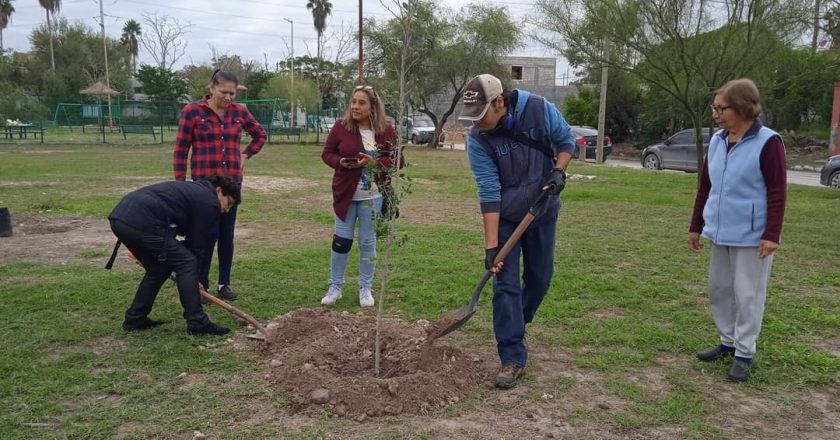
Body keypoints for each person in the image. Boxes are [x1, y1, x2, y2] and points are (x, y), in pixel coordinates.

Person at [458, 74, 575, 389]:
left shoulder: (538, 109)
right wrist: (492, 248)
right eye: (472, 117)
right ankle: (511, 355)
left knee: (540, 278)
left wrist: (558, 171)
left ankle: (516, 323)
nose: (476, 122)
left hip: (543, 210)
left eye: (481, 115)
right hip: (508, 218)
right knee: (505, 285)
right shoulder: (478, 139)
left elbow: (565, 140)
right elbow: (489, 191)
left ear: (499, 102)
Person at [688, 78, 786, 382]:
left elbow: (777, 191)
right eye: (714, 108)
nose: (715, 114)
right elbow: (706, 186)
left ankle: (745, 352)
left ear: (743, 108)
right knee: (719, 289)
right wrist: (696, 226)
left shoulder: (768, 142)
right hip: (720, 229)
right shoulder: (718, 141)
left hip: (752, 234)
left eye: (721, 108)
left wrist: (772, 234)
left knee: (747, 294)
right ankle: (727, 342)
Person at [173, 69, 267, 302]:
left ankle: (224, 283)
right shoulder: (192, 112)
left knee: (226, 235)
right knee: (205, 235)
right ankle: (201, 283)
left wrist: (246, 154)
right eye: (223, 92)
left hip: (231, 185)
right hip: (203, 186)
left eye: (232, 93)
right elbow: (181, 149)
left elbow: (260, 135)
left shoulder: (240, 113)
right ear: (211, 88)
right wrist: (180, 184)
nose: (228, 97)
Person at [107, 175, 241, 335]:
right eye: (229, 203)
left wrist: (191, 278)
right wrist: (193, 277)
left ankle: (135, 318)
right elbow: (195, 246)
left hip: (121, 218)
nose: (226, 210)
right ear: (219, 190)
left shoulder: (198, 192)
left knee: (158, 268)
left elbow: (189, 240)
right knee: (187, 262)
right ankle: (197, 323)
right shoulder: (209, 201)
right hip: (141, 221)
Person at [320, 85, 402, 307]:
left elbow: (398, 160)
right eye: (353, 101)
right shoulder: (341, 127)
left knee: (368, 243)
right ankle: (335, 286)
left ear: (373, 107)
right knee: (341, 242)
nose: (355, 106)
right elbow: (327, 154)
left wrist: (375, 162)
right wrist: (340, 162)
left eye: (361, 102)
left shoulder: (385, 130)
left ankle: (365, 288)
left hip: (373, 198)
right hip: (346, 195)